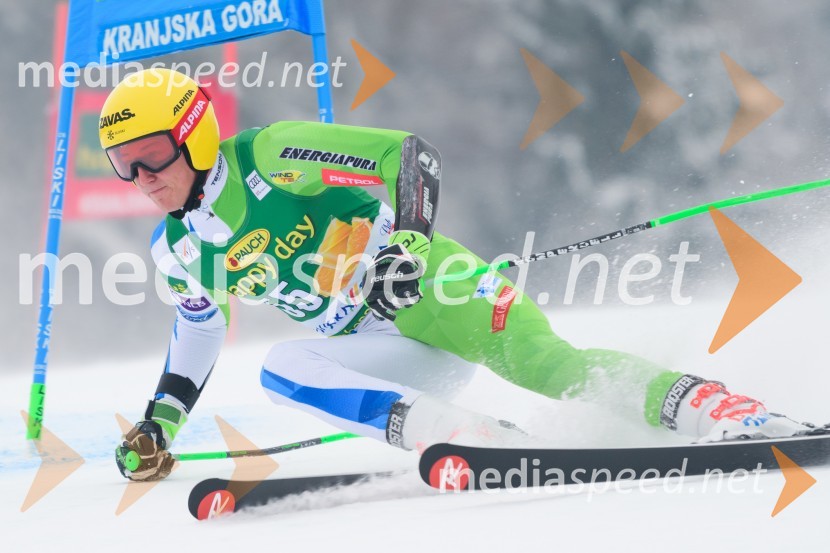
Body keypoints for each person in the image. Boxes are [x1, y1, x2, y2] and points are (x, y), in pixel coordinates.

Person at [101, 68, 813, 482]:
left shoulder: (269, 155)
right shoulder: (176, 250)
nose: (141, 177)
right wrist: (160, 423)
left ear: (194, 132)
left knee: (548, 365)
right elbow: (198, 328)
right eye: (122, 164)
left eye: (151, 153)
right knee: (283, 367)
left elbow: (408, 154)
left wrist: (407, 246)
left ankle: (724, 411)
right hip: (391, 353)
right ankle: (476, 437)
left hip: (434, 289)